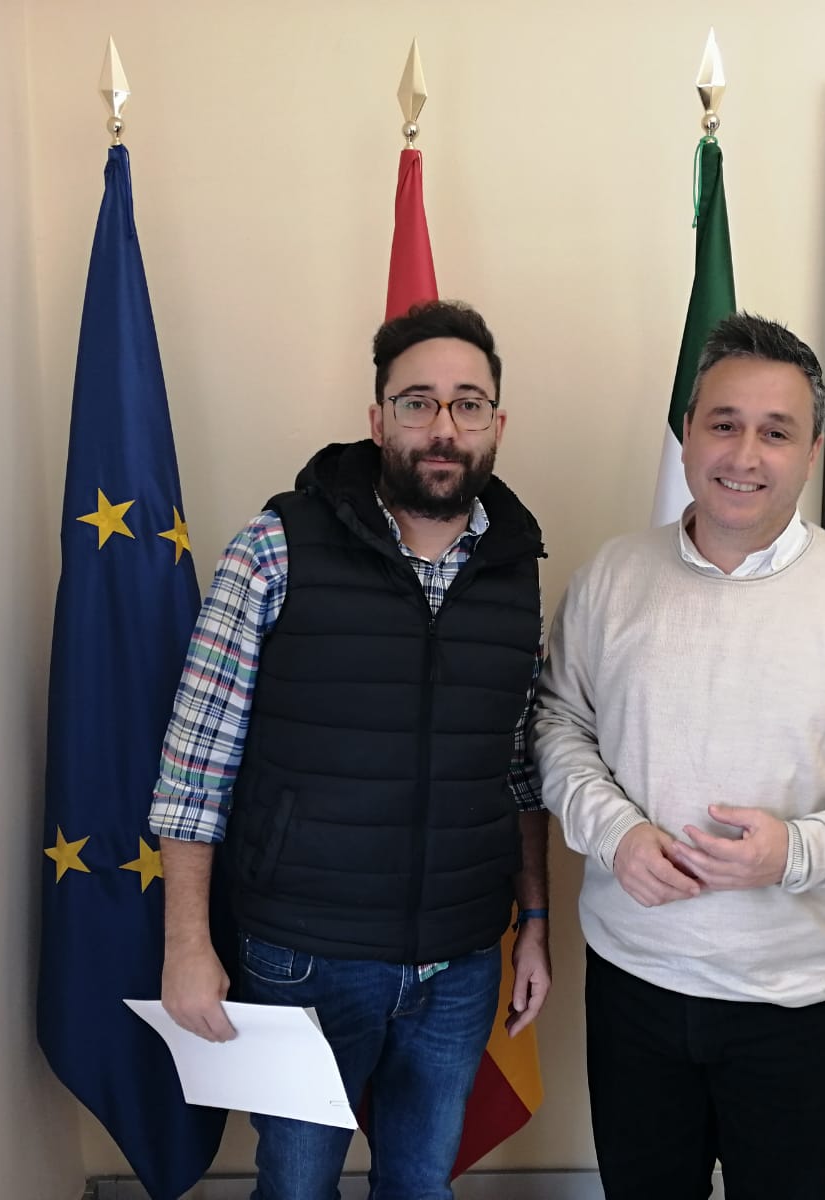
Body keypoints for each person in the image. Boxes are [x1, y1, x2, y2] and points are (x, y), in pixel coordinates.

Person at [533, 312, 825, 1200]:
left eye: (776, 432)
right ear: (688, 432)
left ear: (812, 452)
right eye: (724, 423)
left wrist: (796, 851)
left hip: (802, 1001)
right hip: (636, 985)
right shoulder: (610, 578)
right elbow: (555, 725)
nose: (744, 454)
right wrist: (615, 834)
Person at [150, 300, 552, 1200]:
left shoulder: (516, 570)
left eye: (468, 404)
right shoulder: (276, 547)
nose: (443, 427)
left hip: (460, 959)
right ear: (378, 420)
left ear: (496, 424)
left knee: (422, 1187)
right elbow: (193, 768)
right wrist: (186, 945)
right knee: (296, 1189)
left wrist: (535, 919)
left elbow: (518, 770)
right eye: (417, 402)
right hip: (304, 956)